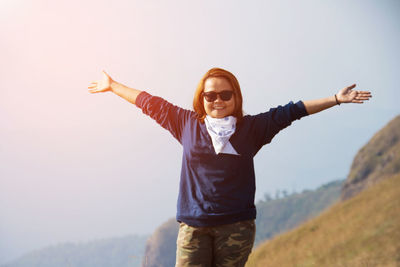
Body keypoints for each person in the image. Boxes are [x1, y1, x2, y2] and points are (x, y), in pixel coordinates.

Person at [88, 68, 371, 266]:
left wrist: (335, 99)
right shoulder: (185, 123)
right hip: (193, 228)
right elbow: (148, 103)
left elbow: (293, 110)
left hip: (236, 227)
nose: (218, 101)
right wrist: (113, 86)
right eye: (211, 96)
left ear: (236, 98)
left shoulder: (252, 128)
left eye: (225, 94)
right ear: (202, 98)